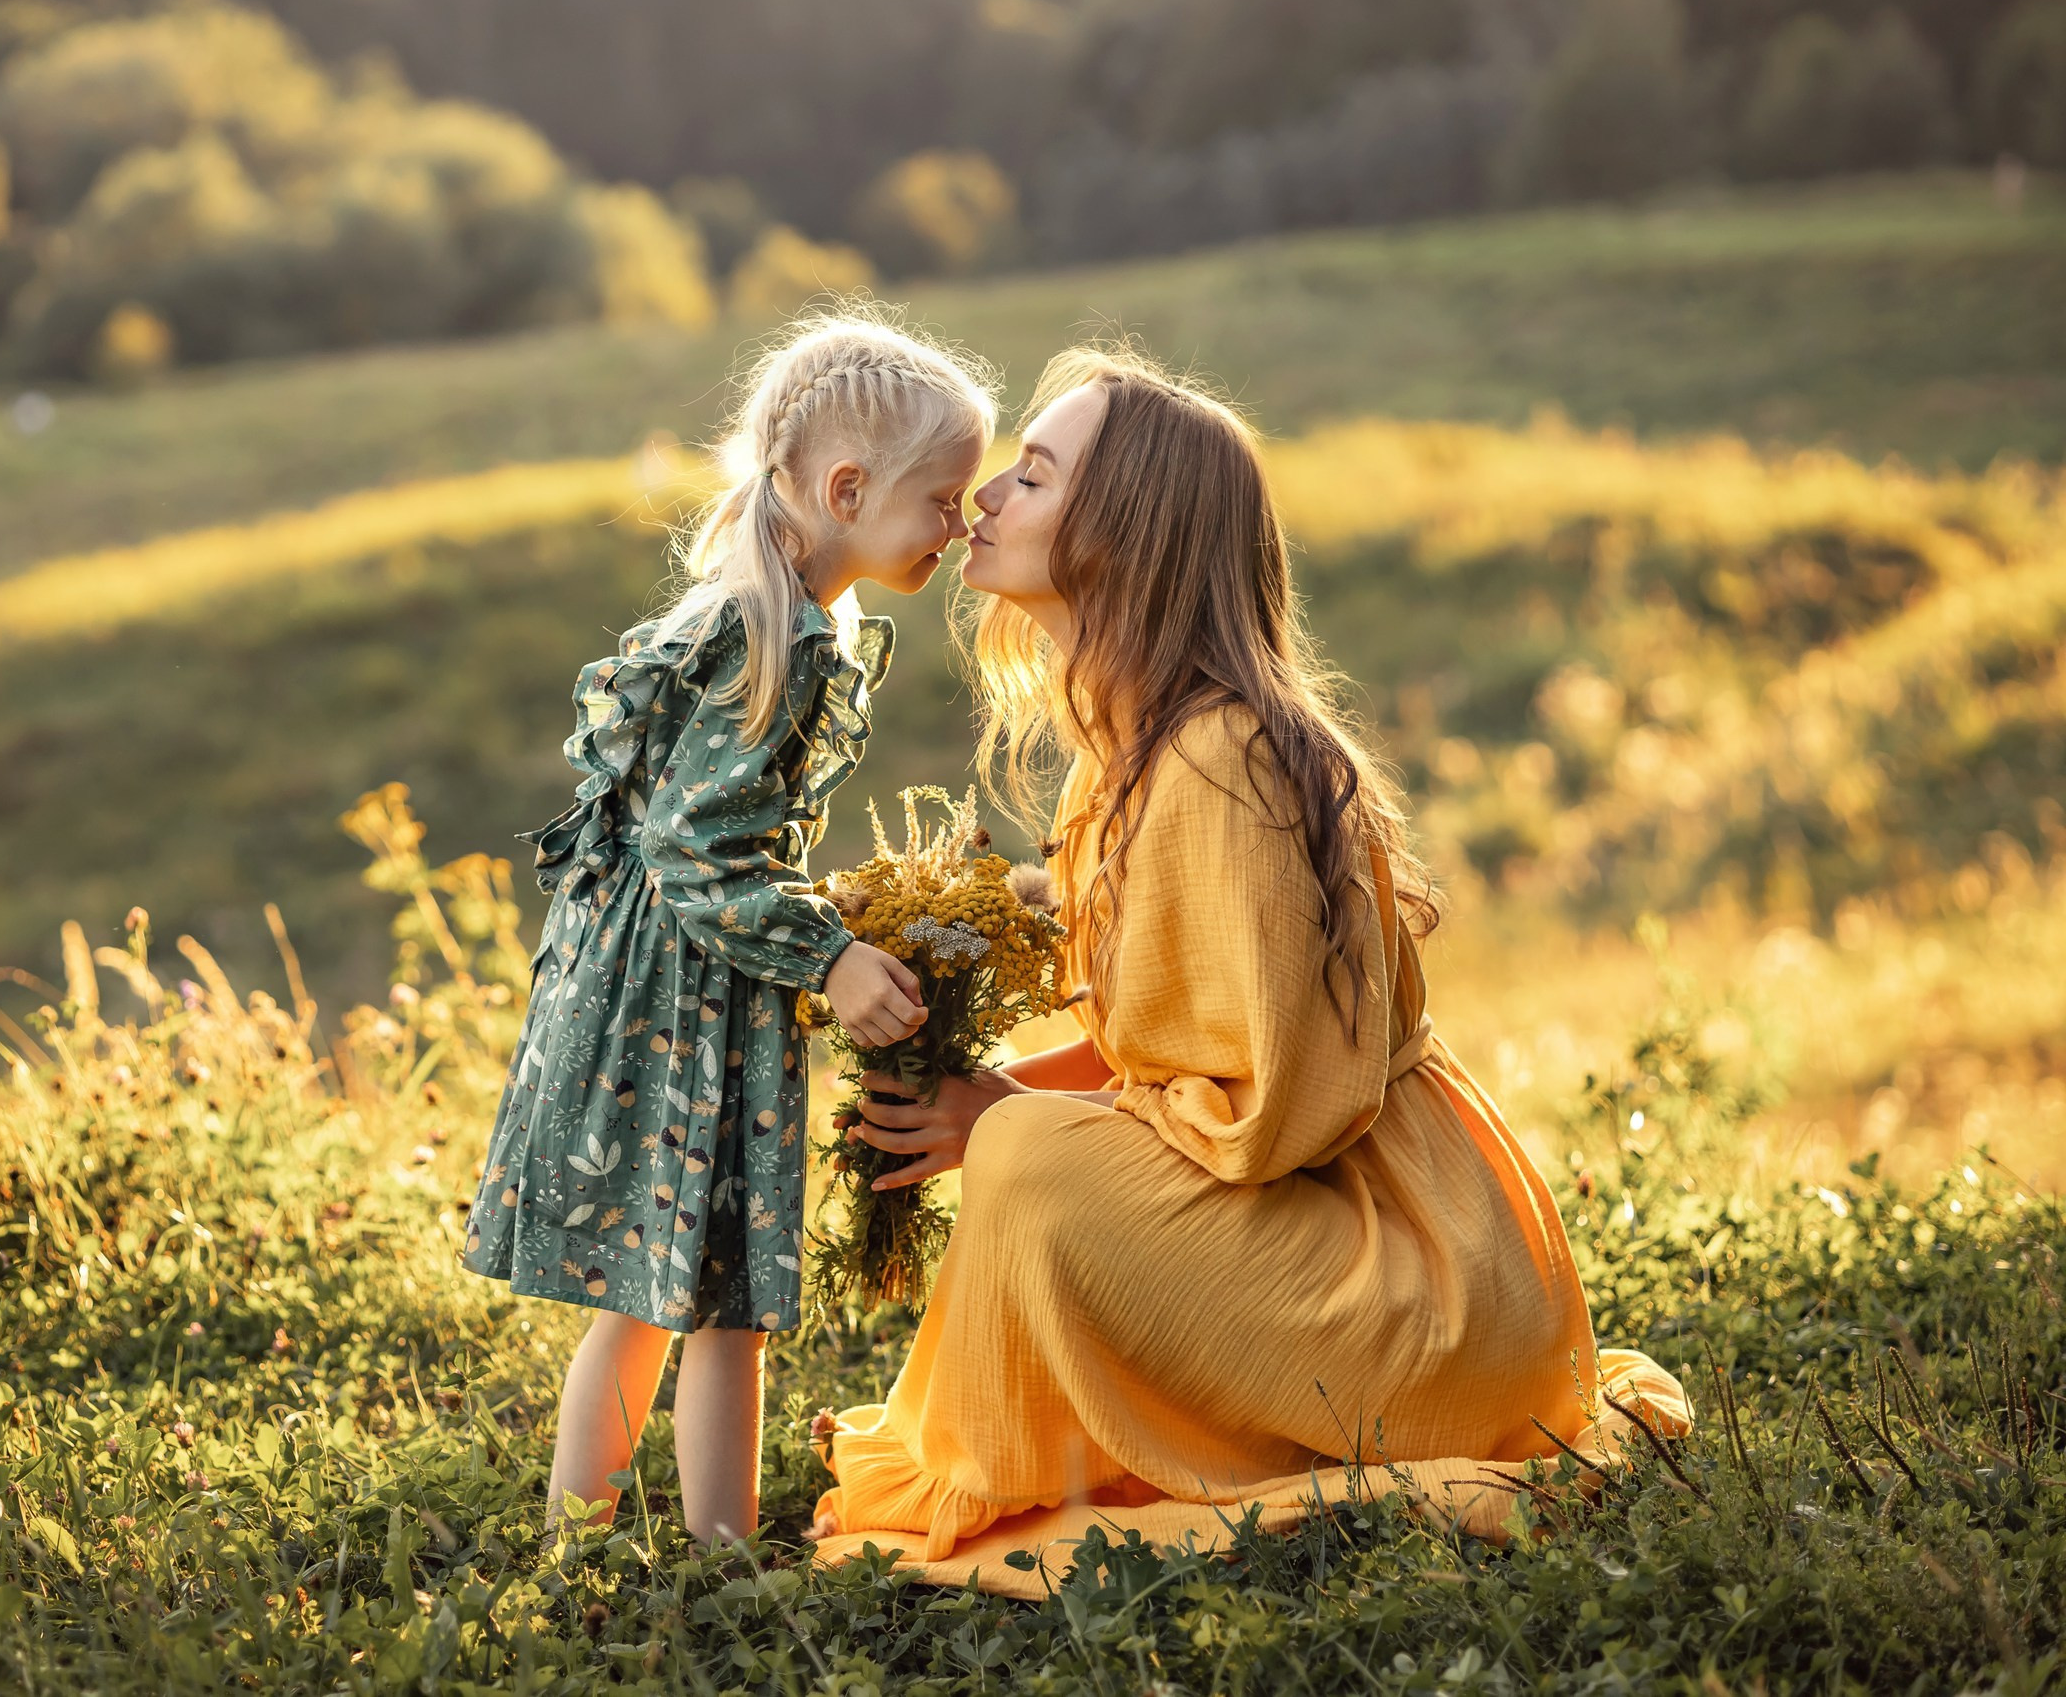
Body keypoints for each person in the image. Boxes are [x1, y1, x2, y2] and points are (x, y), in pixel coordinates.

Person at [807, 345, 1693, 1594]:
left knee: (1024, 1158)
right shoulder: (1134, 749)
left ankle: (1045, 1463)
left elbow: (1267, 1114)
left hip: (1412, 1290)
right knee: (1018, 1148)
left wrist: (1003, 1118)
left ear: (1123, 531)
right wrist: (985, 1096)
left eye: (1035, 476)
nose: (986, 499)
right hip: (1363, 1242)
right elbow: (1164, 1046)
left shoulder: (1222, 762)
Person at [462, 311, 997, 1544]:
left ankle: (665, 1551)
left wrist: (832, 910)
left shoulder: (771, 611)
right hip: (682, 1006)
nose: (958, 526)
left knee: (693, 1300)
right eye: (944, 500)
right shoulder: (782, 635)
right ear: (848, 489)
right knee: (685, 1301)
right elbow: (692, 847)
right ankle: (615, 1553)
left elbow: (712, 828)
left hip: (678, 984)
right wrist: (828, 952)